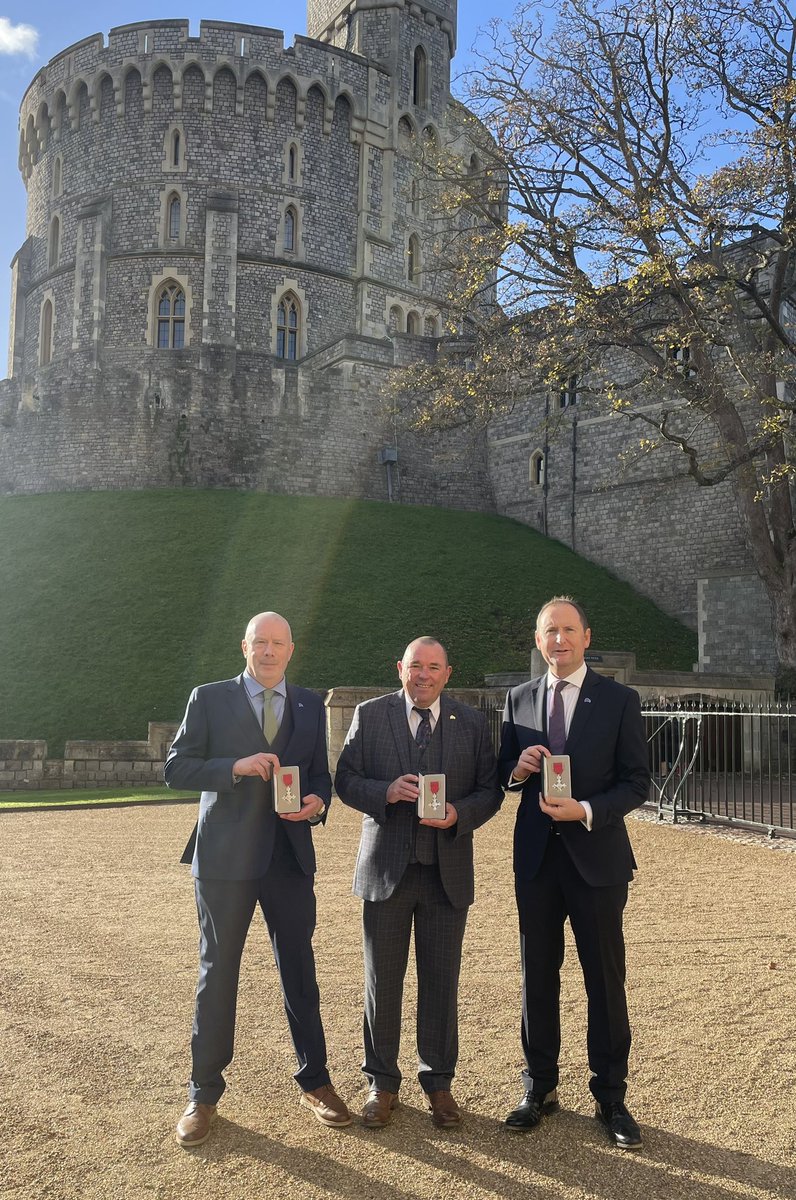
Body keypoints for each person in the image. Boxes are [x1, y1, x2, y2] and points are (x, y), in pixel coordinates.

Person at [164, 611, 351, 1148]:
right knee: (217, 972)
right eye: (259, 642)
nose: (269, 651)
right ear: (245, 647)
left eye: (278, 643)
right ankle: (203, 1092)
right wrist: (235, 767)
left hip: (289, 857)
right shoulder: (209, 697)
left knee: (299, 970)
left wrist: (317, 803)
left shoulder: (310, 705)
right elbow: (177, 767)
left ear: (291, 649)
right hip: (224, 859)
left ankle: (314, 1080)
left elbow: (318, 775)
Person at [499, 597, 650, 1150]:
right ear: (538, 641)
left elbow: (638, 782)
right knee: (537, 975)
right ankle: (538, 1087)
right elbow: (502, 777)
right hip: (537, 860)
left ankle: (610, 1095)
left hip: (597, 860)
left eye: (567, 630)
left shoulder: (618, 700)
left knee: (603, 979)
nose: (558, 640)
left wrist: (585, 810)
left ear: (586, 636)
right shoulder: (517, 699)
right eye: (548, 631)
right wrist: (516, 770)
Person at [335, 636, 503, 1129]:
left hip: (445, 874)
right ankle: (381, 1083)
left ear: (448, 673)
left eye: (433, 667)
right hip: (386, 871)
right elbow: (344, 779)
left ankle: (438, 1083)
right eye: (415, 666)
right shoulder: (371, 715)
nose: (423, 675)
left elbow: (490, 791)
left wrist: (458, 813)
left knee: (441, 983)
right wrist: (383, 791)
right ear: (399, 669)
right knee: (381, 983)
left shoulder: (470, 723)